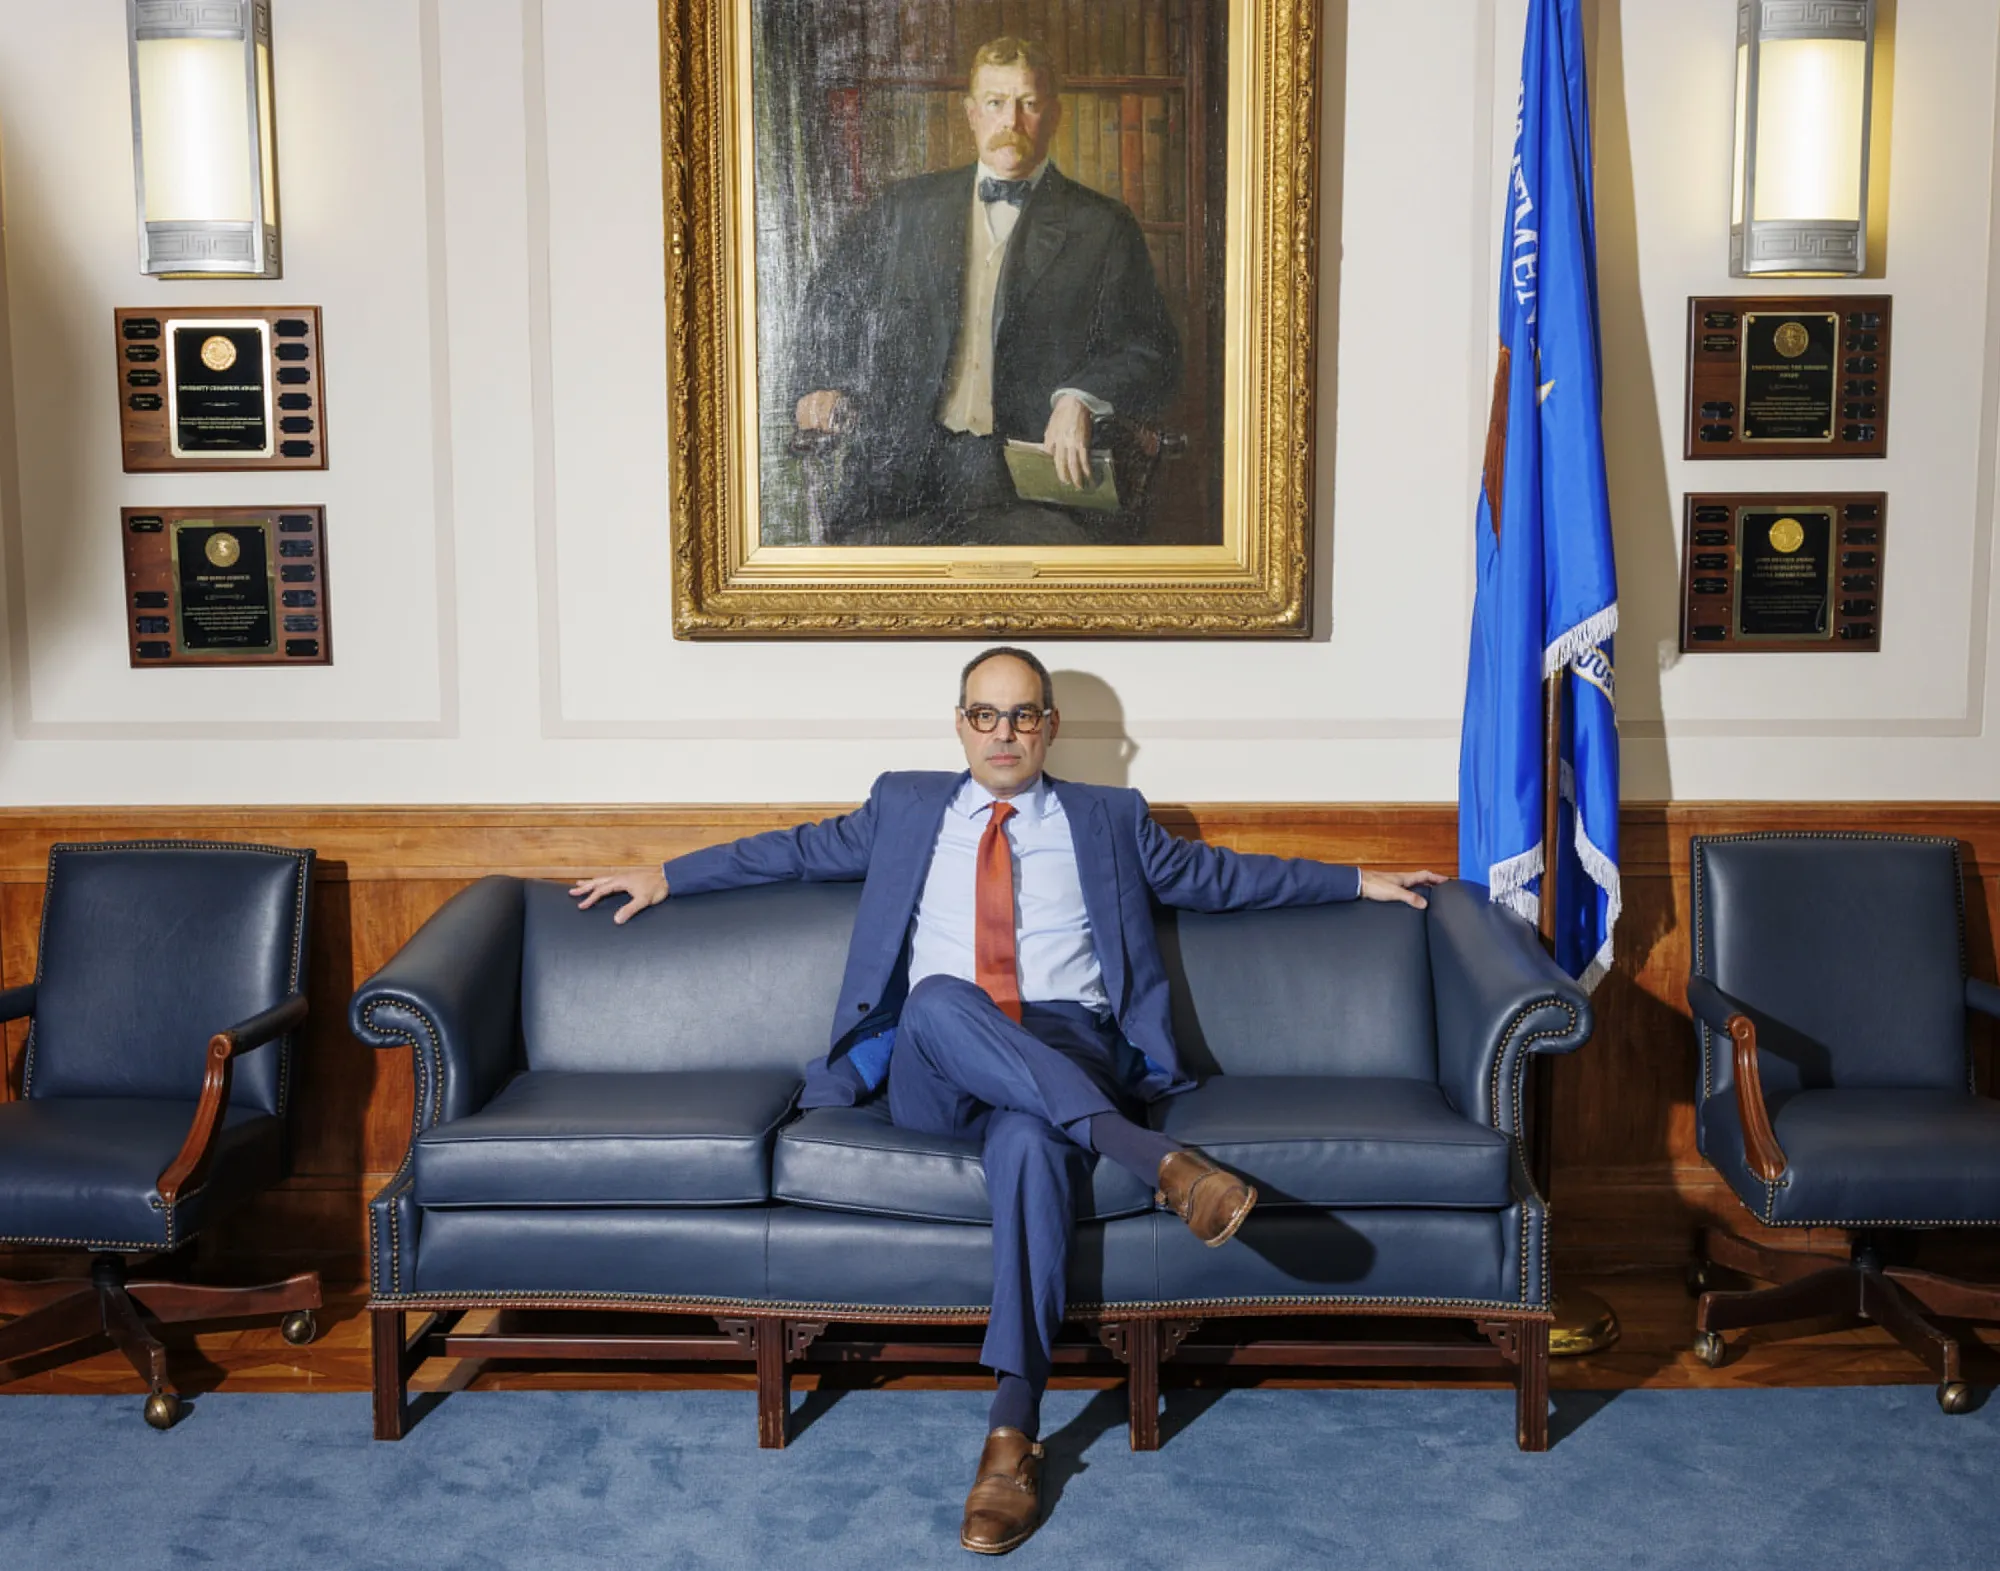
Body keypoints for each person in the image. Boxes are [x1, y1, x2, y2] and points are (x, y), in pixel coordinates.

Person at [571, 648, 1444, 1556]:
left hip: (1064, 1045)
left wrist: (1354, 880)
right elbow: (790, 851)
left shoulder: (1109, 818)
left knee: (1030, 1142)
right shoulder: (906, 807)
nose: (1003, 733)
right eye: (984, 715)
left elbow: (1222, 878)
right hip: (934, 1058)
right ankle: (1157, 1163)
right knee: (945, 997)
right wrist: (668, 874)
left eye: (1023, 715)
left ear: (1050, 727)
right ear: (958, 723)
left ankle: (1010, 1431)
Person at [791, 36, 1180, 544]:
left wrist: (1082, 398)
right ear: (971, 113)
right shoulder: (906, 208)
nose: (1011, 123)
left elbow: (1152, 349)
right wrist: (821, 383)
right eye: (996, 103)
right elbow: (830, 299)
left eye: (1029, 104)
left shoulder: (1102, 227)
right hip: (904, 475)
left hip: (1036, 485)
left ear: (1054, 114)